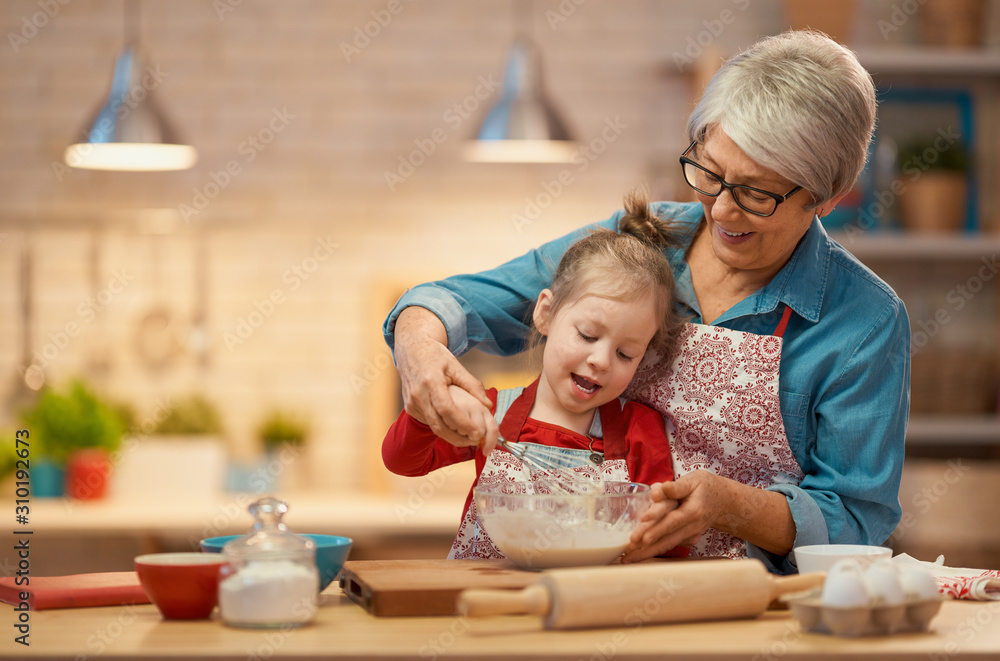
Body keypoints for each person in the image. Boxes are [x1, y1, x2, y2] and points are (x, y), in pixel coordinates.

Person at [383, 30, 909, 574]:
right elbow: (454, 302)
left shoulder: (866, 322)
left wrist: (733, 508)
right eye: (710, 173)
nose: (722, 211)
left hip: (749, 610)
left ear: (825, 197)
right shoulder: (636, 242)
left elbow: (854, 518)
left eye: (756, 193)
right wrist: (419, 348)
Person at [382, 191, 685, 560]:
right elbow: (402, 462)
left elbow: (666, 541)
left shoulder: (640, 431)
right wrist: (433, 407)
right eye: (588, 335)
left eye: (626, 353)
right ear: (545, 313)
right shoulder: (490, 413)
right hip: (487, 604)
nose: (602, 360)